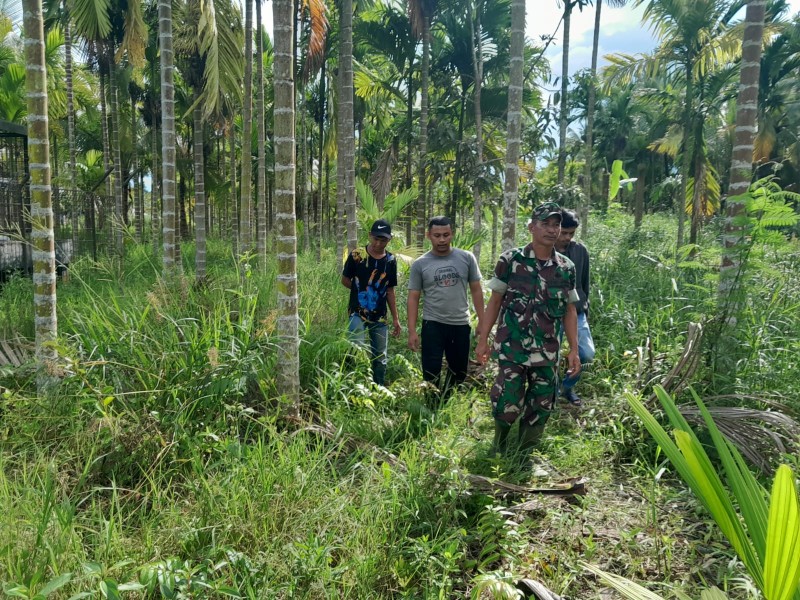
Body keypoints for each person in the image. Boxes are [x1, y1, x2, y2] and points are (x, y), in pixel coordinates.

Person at [475, 202, 581, 461]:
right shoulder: (511, 260)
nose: (552, 230)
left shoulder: (566, 267)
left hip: (547, 351)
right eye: (545, 224)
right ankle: (499, 448)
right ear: (532, 227)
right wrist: (483, 339)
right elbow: (495, 302)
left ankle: (525, 454)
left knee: (542, 403)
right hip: (512, 347)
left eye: (556, 225)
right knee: (506, 400)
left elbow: (569, 310)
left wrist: (574, 350)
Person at [407, 216, 485, 403]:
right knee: (430, 369)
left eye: (446, 235)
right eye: (437, 235)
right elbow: (413, 297)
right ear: (428, 235)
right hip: (433, 323)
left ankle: (447, 401)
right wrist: (412, 331)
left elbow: (476, 290)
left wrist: (483, 322)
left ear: (452, 234)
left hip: (460, 323)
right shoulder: (420, 264)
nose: (442, 240)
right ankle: (431, 405)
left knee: (459, 370)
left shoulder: (466, 258)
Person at [342, 219, 402, 386]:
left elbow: (390, 290)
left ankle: (378, 389)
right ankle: (355, 387)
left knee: (380, 356)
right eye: (376, 239)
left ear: (389, 239)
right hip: (357, 311)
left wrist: (396, 318)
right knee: (357, 349)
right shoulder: (357, 255)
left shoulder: (390, 260)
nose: (378, 243)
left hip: (380, 315)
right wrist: (360, 292)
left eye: (383, 240)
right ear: (369, 236)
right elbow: (345, 280)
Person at [555, 209, 595, 406]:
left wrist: (585, 308)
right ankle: (551, 391)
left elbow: (584, 283)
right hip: (551, 314)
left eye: (571, 233)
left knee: (586, 354)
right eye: (564, 232)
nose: (567, 237)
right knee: (550, 356)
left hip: (576, 312)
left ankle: (567, 387)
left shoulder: (580, 251)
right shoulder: (544, 250)